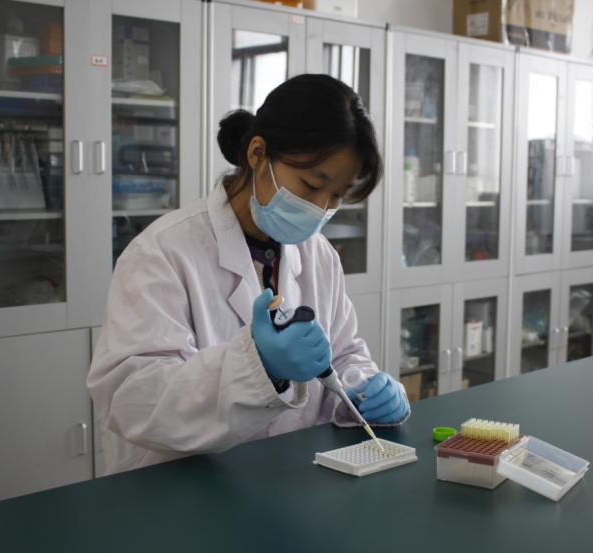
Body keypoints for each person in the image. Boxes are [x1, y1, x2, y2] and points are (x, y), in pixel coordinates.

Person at [88, 74, 410, 474]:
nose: (320, 207)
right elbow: (132, 399)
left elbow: (341, 354)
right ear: (258, 154)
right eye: (312, 185)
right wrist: (258, 368)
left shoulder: (319, 255)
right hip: (182, 487)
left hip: (288, 480)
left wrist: (363, 388)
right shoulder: (162, 252)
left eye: (337, 196)